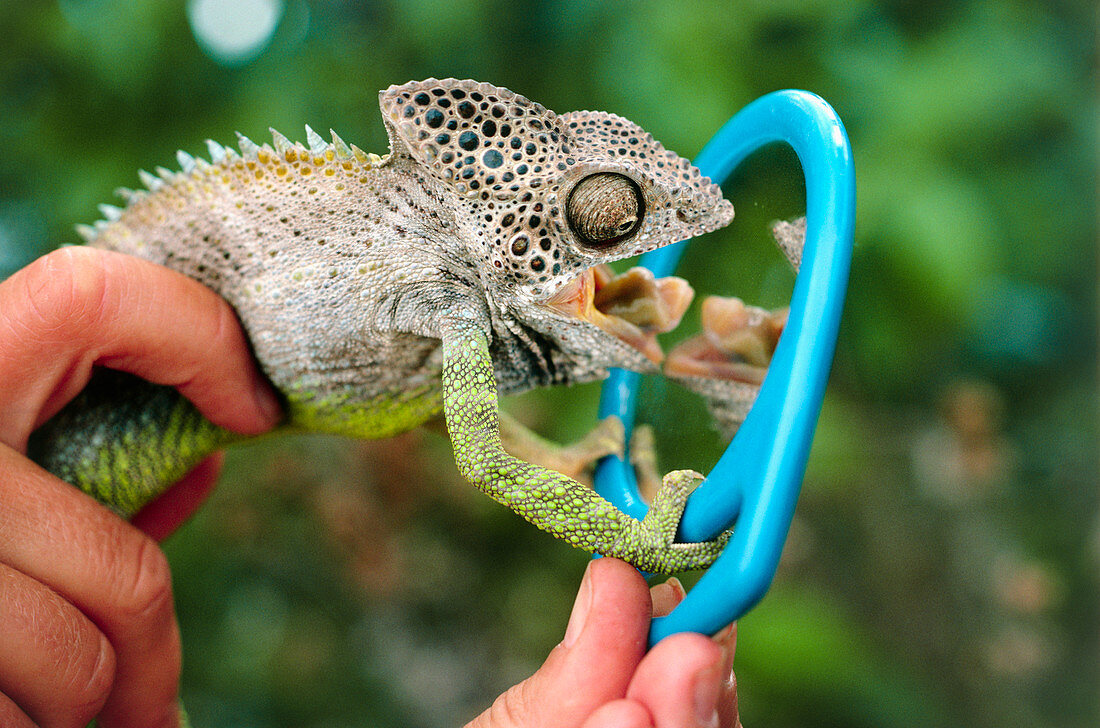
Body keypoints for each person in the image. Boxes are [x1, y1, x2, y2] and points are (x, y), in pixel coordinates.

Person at [0, 247, 740, 728]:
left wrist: (571, 462)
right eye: (602, 221)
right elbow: (476, 452)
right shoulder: (445, 289)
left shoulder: (436, 311)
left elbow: (435, 413)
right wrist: (636, 538)